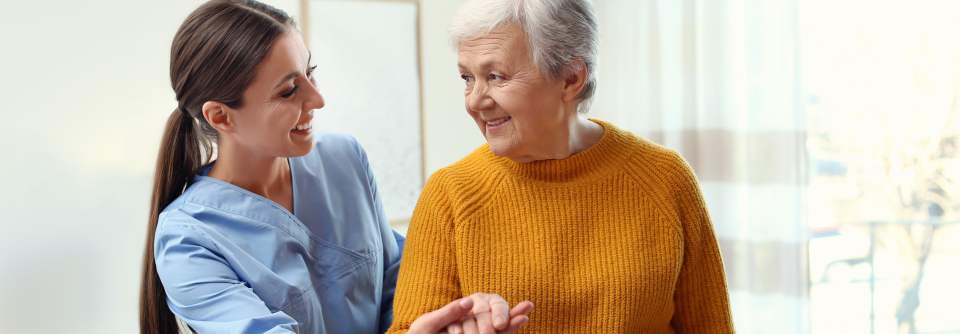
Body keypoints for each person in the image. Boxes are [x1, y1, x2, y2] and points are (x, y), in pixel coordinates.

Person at [138, 1, 531, 333]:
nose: (318, 99)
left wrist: (450, 318)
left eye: (310, 72)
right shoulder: (189, 241)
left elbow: (400, 283)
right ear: (221, 117)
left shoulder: (344, 160)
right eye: (289, 90)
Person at [387, 0, 736, 333]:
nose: (475, 100)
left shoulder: (665, 178)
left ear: (570, 78)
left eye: (495, 76)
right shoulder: (450, 193)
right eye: (467, 78)